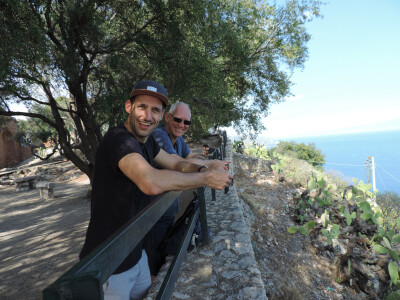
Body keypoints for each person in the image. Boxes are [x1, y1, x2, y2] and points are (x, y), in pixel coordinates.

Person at [79, 80, 232, 300]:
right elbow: (150, 181)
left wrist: (206, 166)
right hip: (110, 263)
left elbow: (175, 162)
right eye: (142, 107)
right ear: (129, 107)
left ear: (161, 116)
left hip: (135, 251)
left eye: (155, 110)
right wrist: (206, 178)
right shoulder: (119, 140)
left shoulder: (148, 142)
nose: (148, 116)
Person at [145, 102, 228, 278]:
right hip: (152, 212)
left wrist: (207, 162)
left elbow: (190, 157)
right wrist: (210, 166)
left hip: (166, 211)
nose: (181, 125)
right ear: (167, 117)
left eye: (186, 122)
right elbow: (176, 161)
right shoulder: (159, 134)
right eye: (177, 119)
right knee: (153, 262)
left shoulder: (178, 139)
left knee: (160, 256)